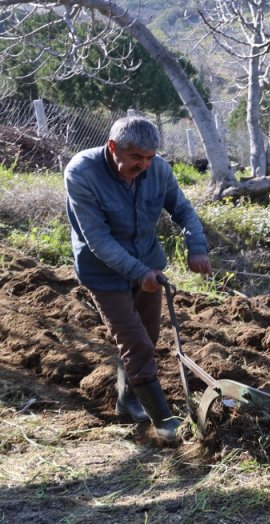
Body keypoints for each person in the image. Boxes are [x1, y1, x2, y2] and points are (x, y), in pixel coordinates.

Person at [64, 115, 212, 444]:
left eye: (149, 157)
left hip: (148, 264)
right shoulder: (81, 172)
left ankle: (127, 399)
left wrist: (196, 248)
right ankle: (164, 423)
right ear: (113, 147)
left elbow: (183, 210)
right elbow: (97, 239)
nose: (143, 165)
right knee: (136, 343)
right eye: (135, 157)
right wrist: (138, 272)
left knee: (149, 335)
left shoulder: (158, 169)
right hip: (104, 271)